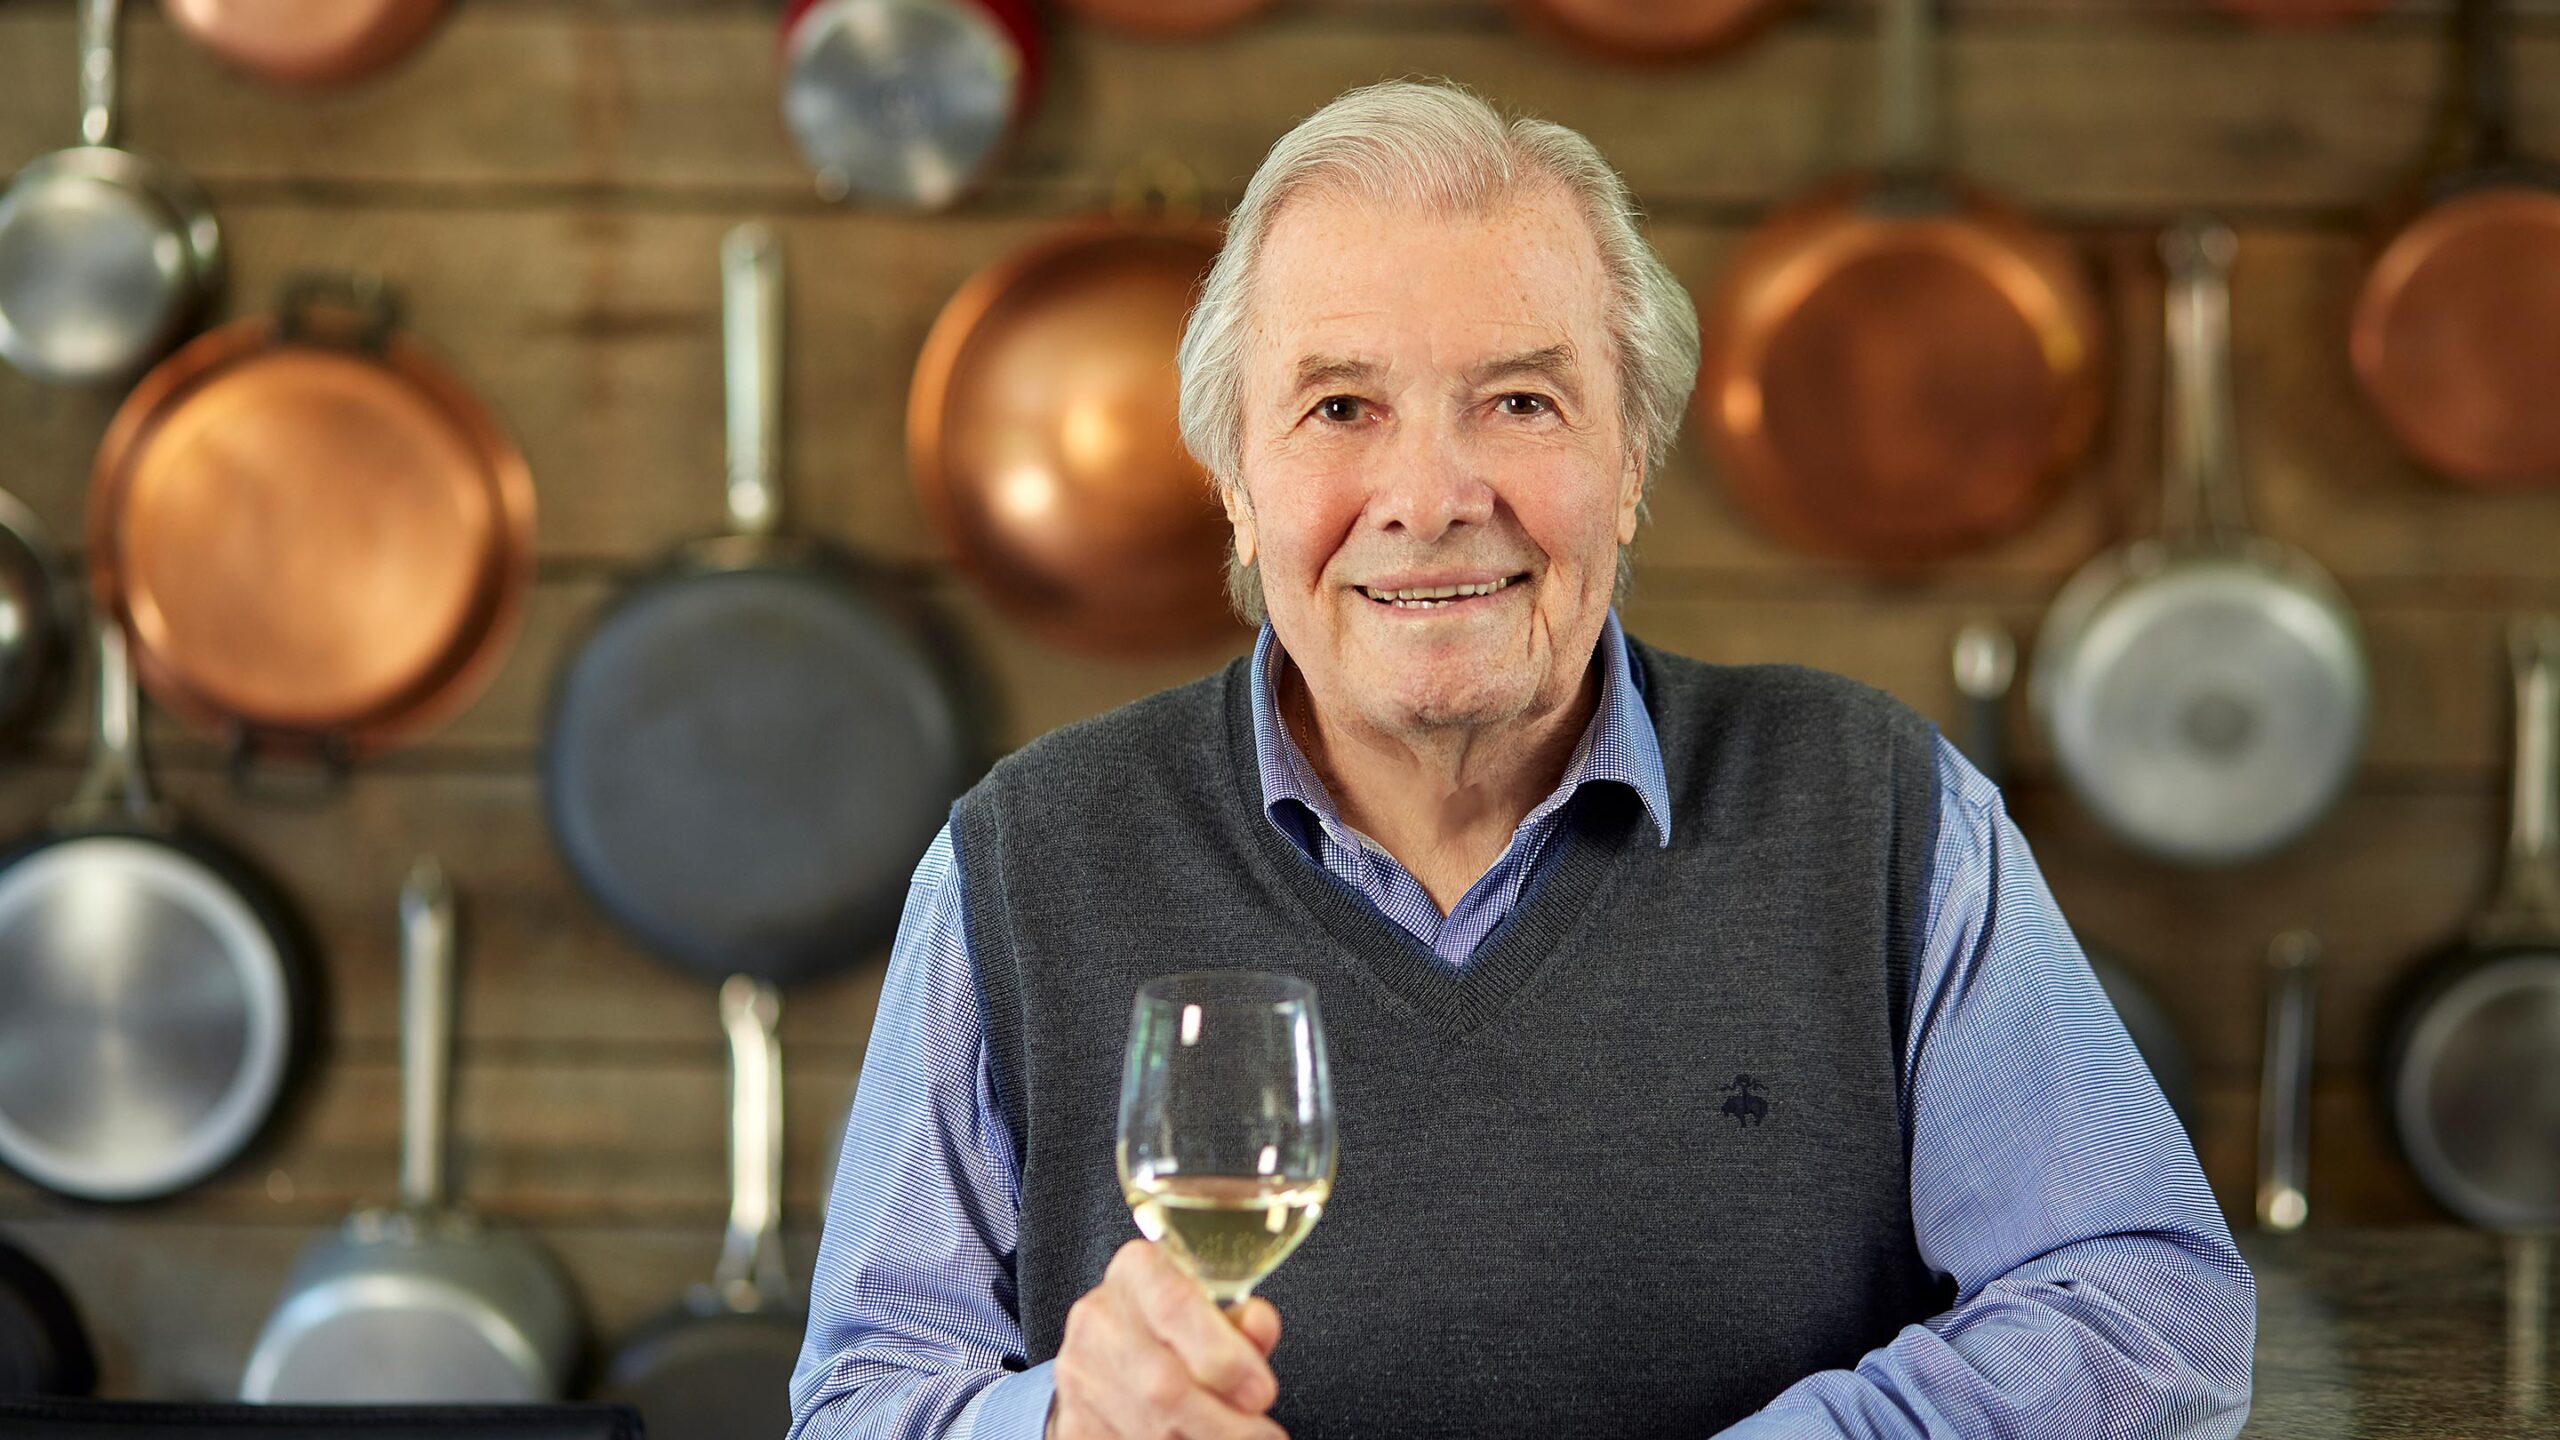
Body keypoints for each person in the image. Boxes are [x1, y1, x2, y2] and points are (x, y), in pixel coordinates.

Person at [788, 78, 2254, 1440]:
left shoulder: (1883, 815)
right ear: (1238, 484)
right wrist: (1049, 1427)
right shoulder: (1027, 860)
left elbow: (2151, 1305)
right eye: (1341, 408)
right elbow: (859, 1399)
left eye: (1521, 402)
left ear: (1629, 468)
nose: (1429, 500)